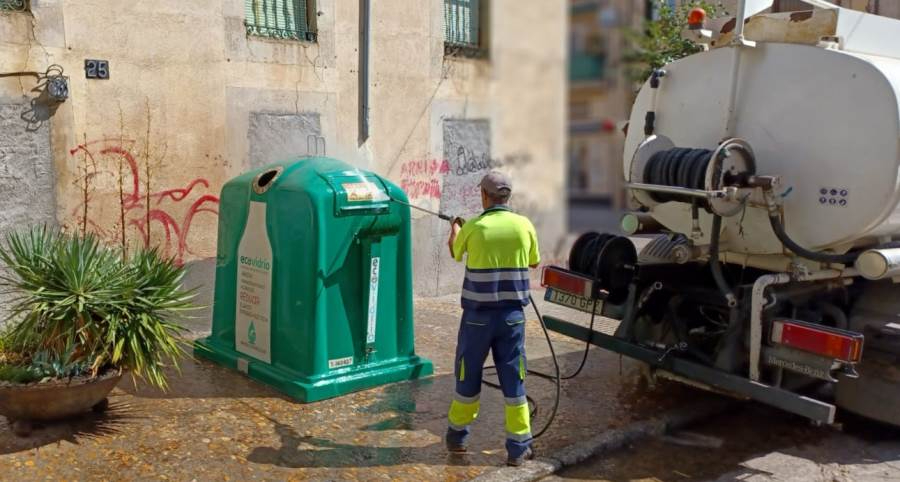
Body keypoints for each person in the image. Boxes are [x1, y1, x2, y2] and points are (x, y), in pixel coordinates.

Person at [445, 171, 540, 467]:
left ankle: (457, 438)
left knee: (468, 374)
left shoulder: (475, 227)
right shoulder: (524, 225)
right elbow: (534, 260)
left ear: (485, 196)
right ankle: (518, 447)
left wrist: (456, 227)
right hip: (512, 318)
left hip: (477, 319)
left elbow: (455, 251)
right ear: (507, 197)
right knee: (514, 377)